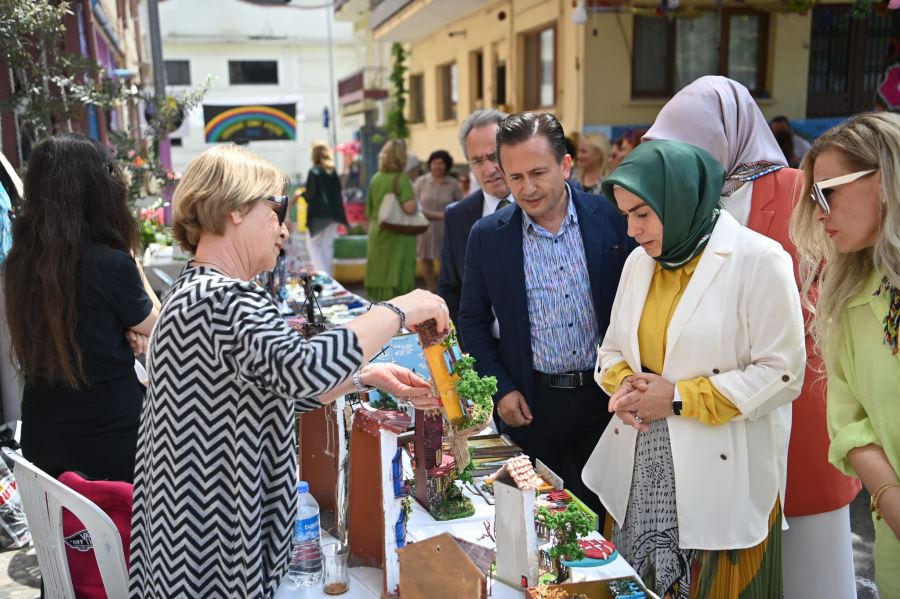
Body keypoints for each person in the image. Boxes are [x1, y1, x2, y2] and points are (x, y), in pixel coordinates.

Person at [127, 144, 449, 598]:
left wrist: (364, 377)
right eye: (276, 209)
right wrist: (401, 308)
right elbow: (305, 371)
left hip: (193, 542)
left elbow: (276, 386)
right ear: (236, 208)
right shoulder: (224, 298)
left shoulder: (199, 288)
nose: (282, 228)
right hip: (215, 554)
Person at [643, 75, 861, 598]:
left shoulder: (797, 191)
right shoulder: (682, 208)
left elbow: (834, 292)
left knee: (810, 565)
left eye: (688, 148)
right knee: (733, 565)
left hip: (798, 405)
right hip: (712, 414)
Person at [583, 140, 805, 598]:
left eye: (642, 213)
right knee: (634, 586)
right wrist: (626, 385)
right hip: (640, 474)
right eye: (626, 215)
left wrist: (679, 396)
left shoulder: (759, 261)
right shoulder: (639, 263)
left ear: (681, 198)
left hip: (721, 474)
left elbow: (783, 374)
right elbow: (609, 351)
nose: (632, 230)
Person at [458, 112, 632, 516]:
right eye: (515, 177)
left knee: (607, 516)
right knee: (537, 521)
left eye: (538, 173)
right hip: (531, 407)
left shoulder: (609, 219)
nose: (528, 188)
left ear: (566, 165)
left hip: (604, 401)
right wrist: (500, 388)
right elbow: (472, 321)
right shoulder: (487, 237)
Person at [3, 133, 160, 483]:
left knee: (62, 537)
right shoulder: (111, 263)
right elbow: (157, 324)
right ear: (96, 190)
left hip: (44, 437)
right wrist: (133, 263)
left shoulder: (21, 262)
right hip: (113, 439)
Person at [791, 112, 900, 597]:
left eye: (826, 192)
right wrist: (890, 498)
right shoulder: (850, 294)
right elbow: (848, 420)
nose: (817, 212)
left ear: (886, 179)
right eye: (811, 197)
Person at [437, 108, 513, 344]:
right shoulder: (458, 216)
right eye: (477, 161)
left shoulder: (539, 207)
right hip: (483, 350)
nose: (488, 169)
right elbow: (451, 289)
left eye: (494, 156)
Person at [365, 140, 418, 301]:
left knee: (380, 273)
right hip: (398, 236)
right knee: (398, 275)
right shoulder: (402, 179)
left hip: (378, 233)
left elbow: (369, 211)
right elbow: (410, 209)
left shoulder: (376, 178)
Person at [415, 150, 463, 292]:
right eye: (434, 163)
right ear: (429, 165)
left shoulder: (453, 184)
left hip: (446, 229)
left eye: (441, 163)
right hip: (424, 228)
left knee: (445, 261)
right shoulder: (421, 182)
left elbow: (460, 206)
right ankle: (431, 289)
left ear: (446, 165)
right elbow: (415, 205)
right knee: (425, 259)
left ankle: (444, 292)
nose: (437, 166)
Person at [303, 140, 348, 276]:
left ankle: (324, 278)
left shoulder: (314, 171)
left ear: (314, 155)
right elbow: (339, 190)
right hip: (334, 214)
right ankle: (329, 280)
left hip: (318, 215)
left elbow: (310, 194)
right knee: (327, 247)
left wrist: (301, 194)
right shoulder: (332, 171)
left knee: (313, 245)